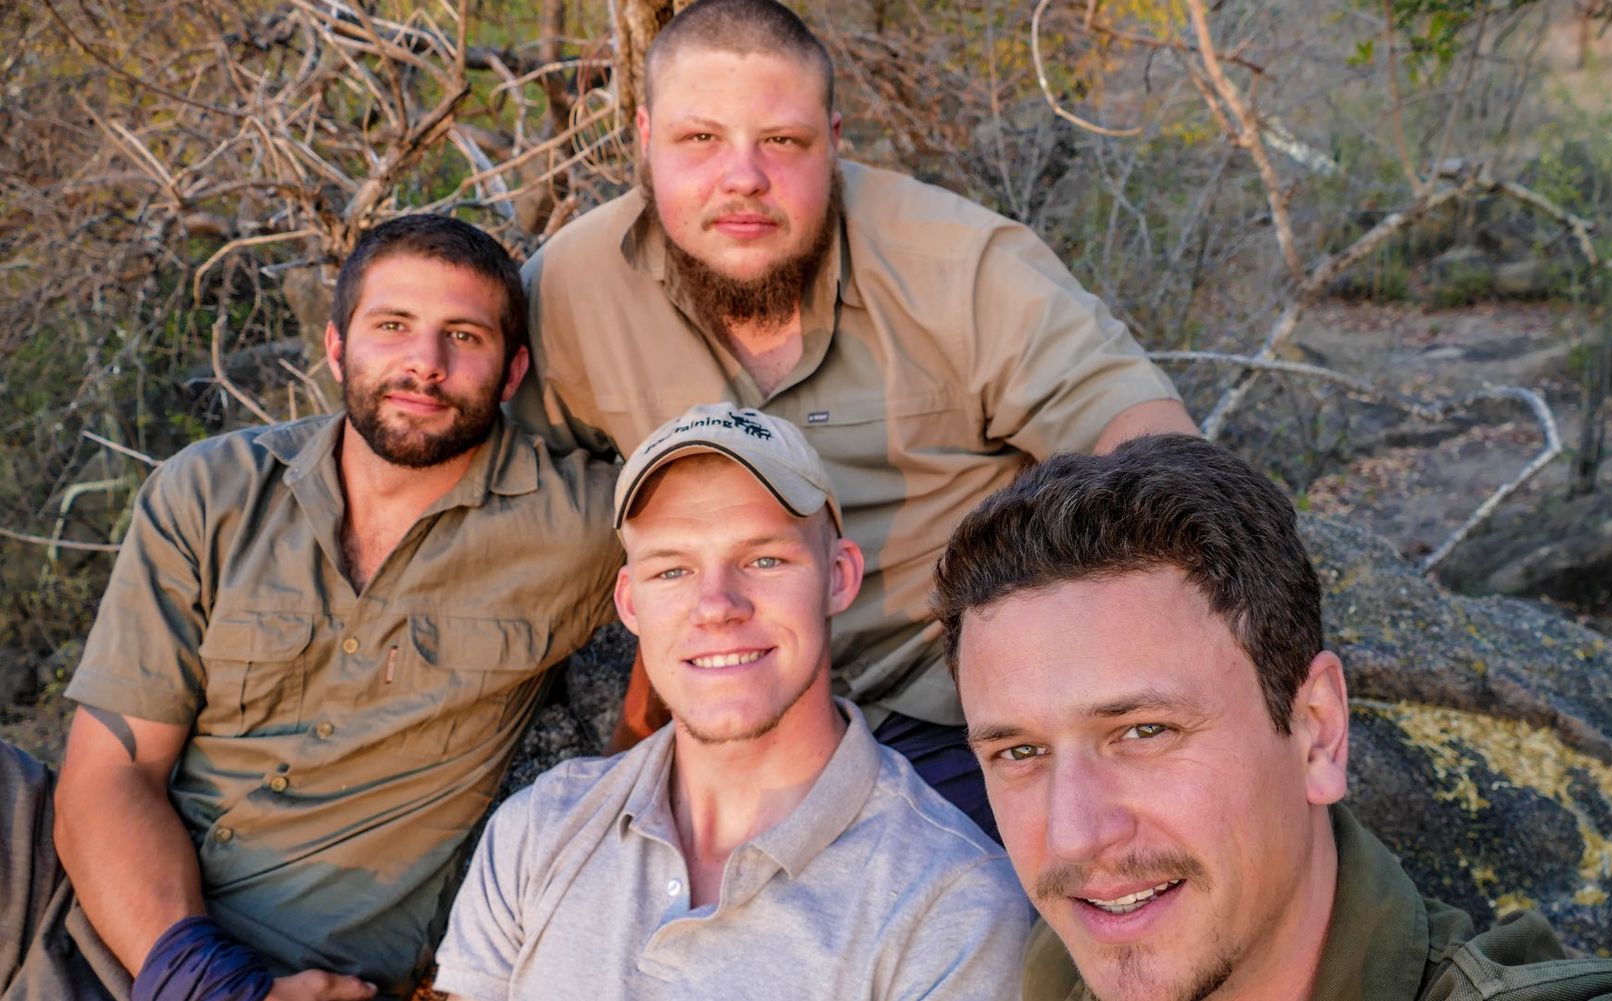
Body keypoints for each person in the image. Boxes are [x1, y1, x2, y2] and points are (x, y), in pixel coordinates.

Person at [509, 0, 1197, 835]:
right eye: (701, 139)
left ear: (833, 140)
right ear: (646, 138)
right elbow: (494, 467)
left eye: (782, 140)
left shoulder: (959, 264)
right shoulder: (575, 287)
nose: (743, 176)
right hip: (722, 695)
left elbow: (1149, 444)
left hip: (942, 708)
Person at [0, 215, 624, 1000]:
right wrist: (206, 985)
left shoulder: (582, 526)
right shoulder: (214, 489)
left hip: (287, 964)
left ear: (512, 371)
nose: (424, 363)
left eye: (463, 336)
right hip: (86, 893)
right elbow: (112, 773)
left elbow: (732, 514)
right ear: (335, 346)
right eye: (392, 325)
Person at [930, 434, 1612, 1001]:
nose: (1074, 834)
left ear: (1318, 730)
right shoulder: (1052, 970)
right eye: (1019, 752)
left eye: (1144, 732)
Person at [432, 404, 1028, 1000]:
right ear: (630, 602)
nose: (717, 606)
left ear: (839, 576)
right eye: (672, 571)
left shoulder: (952, 902)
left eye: (764, 560)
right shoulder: (537, 830)